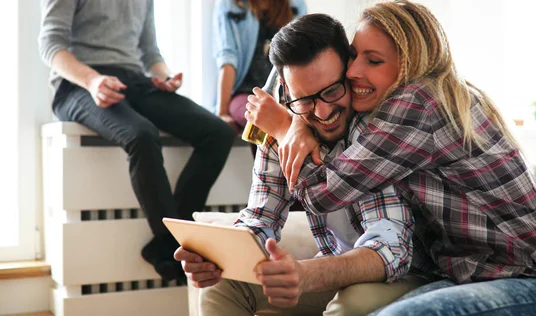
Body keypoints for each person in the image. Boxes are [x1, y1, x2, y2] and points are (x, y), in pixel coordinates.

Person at [248, 1, 536, 315]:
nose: (353, 72)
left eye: (374, 60)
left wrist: (282, 126)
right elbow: (288, 73)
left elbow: (322, 192)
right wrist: (296, 120)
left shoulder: (419, 103)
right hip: (475, 278)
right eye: (354, 56)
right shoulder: (393, 109)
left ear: (409, 64)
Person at [175, 14, 420, 315]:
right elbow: (260, 218)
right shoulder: (282, 124)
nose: (324, 111)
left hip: (399, 275)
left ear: (349, 73)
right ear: (287, 93)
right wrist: (221, 256)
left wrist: (307, 274)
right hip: (332, 264)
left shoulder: (375, 127)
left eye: (332, 90)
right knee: (224, 283)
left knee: (352, 306)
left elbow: (390, 248)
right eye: (304, 100)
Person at [38, 0, 236, 281]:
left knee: (218, 132)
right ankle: (175, 248)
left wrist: (164, 75)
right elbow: (50, 44)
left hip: (134, 80)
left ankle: (166, 245)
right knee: (141, 134)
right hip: (77, 85)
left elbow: (149, 51)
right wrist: (93, 80)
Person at [213, 0, 306, 138]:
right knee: (260, 118)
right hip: (245, 93)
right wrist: (222, 112)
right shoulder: (229, 4)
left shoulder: (296, 5)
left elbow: (303, 57)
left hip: (286, 94)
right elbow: (227, 58)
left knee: (297, 121)